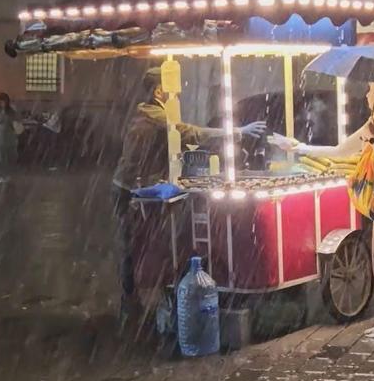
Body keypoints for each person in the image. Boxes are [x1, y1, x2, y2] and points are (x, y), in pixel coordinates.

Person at [271, 82, 374, 345]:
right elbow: (343, 149)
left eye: (372, 88)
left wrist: (373, 139)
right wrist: (299, 147)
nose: (367, 93)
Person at [112, 67, 266, 294]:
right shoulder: (155, 116)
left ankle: (149, 290)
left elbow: (180, 143)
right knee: (138, 243)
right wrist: (237, 131)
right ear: (157, 92)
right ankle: (142, 293)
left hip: (132, 184)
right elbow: (187, 133)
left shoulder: (149, 112)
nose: (177, 95)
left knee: (142, 242)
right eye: (171, 91)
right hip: (130, 188)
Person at [0, 92, 20, 181]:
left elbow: (17, 122)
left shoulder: (11, 111)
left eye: (4, 101)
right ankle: (3, 175)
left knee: (12, 157)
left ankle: (7, 174)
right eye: (1, 102)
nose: (3, 103)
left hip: (10, 137)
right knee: (0, 158)